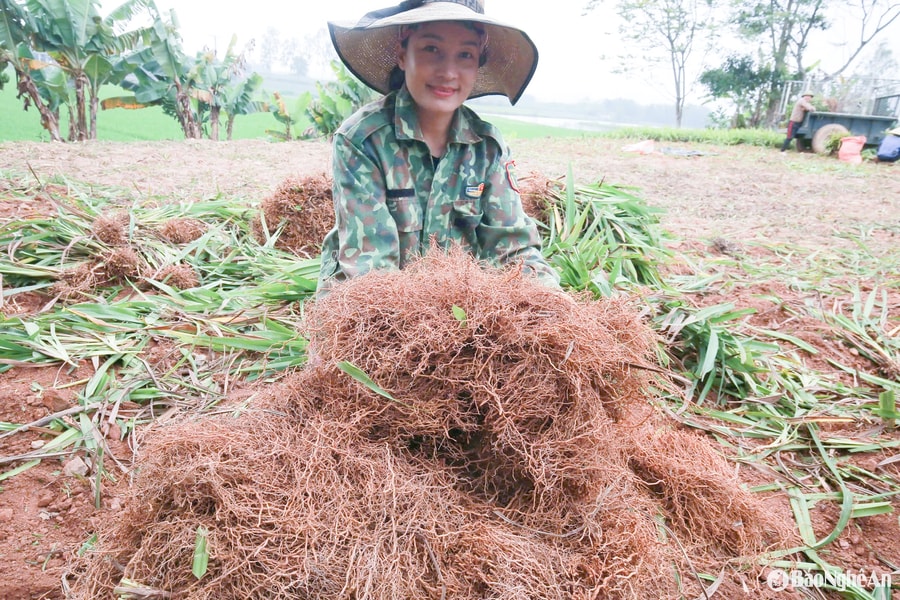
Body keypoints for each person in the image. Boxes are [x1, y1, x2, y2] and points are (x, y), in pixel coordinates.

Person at [315, 0, 560, 298]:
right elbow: (370, 271)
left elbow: (513, 250)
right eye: (432, 49)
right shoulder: (363, 140)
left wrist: (550, 304)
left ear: (477, 63)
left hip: (461, 313)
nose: (448, 72)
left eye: (465, 55)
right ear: (403, 54)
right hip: (373, 312)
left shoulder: (488, 149)